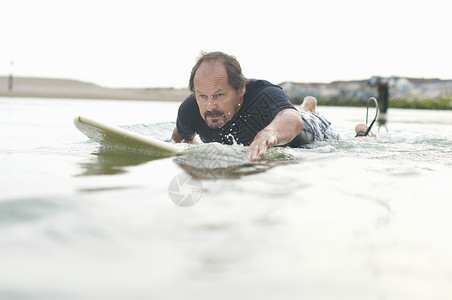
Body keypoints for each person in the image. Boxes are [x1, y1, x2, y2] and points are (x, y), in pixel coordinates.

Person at [172, 51, 338, 161]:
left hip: (311, 128)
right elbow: (178, 141)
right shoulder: (190, 110)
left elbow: (293, 119)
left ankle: (309, 109)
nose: (210, 106)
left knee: (306, 117)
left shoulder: (264, 94)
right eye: (202, 96)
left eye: (219, 95)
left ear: (241, 88)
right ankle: (307, 106)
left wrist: (267, 134)